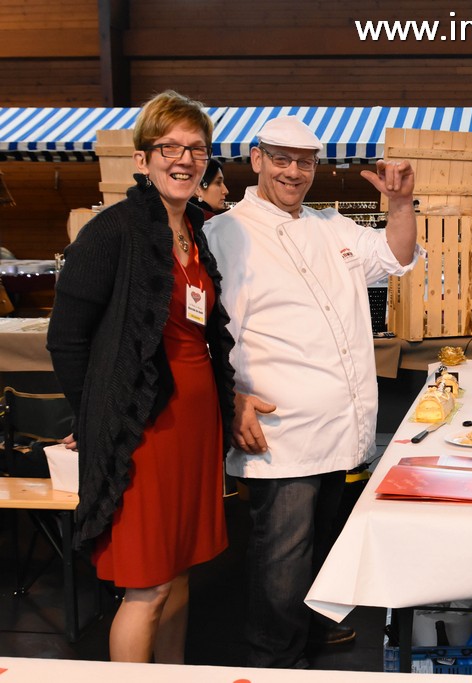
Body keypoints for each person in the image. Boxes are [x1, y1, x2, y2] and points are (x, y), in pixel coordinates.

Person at [204, 115, 420, 669]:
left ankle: (307, 636)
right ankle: (275, 662)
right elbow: (208, 333)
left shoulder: (331, 226)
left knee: (319, 544)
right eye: (280, 159)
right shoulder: (225, 234)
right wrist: (231, 401)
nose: (293, 172)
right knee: (282, 555)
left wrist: (400, 205)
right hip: (280, 431)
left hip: (340, 428)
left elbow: (396, 257)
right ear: (256, 160)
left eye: (304, 162)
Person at [46, 90, 236, 663]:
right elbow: (66, 337)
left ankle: (171, 676)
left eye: (196, 149)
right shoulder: (113, 231)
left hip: (196, 426)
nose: (184, 159)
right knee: (147, 585)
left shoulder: (197, 230)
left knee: (179, 572)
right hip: (142, 430)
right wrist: (96, 416)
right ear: (143, 158)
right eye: (169, 147)